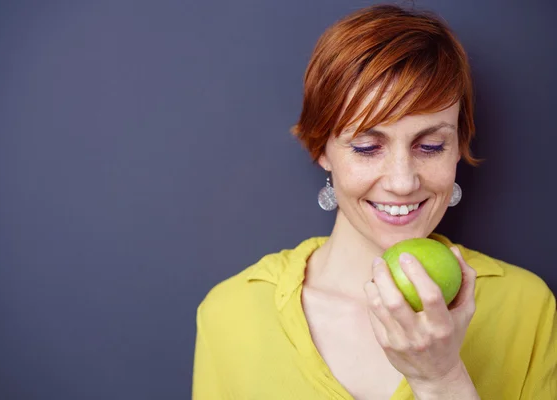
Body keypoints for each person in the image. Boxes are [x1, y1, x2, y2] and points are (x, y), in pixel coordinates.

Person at [192, 4, 557, 399]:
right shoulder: (232, 313)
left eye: (431, 145)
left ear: (457, 148)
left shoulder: (525, 306)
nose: (402, 182)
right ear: (323, 149)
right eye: (367, 147)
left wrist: (442, 379)